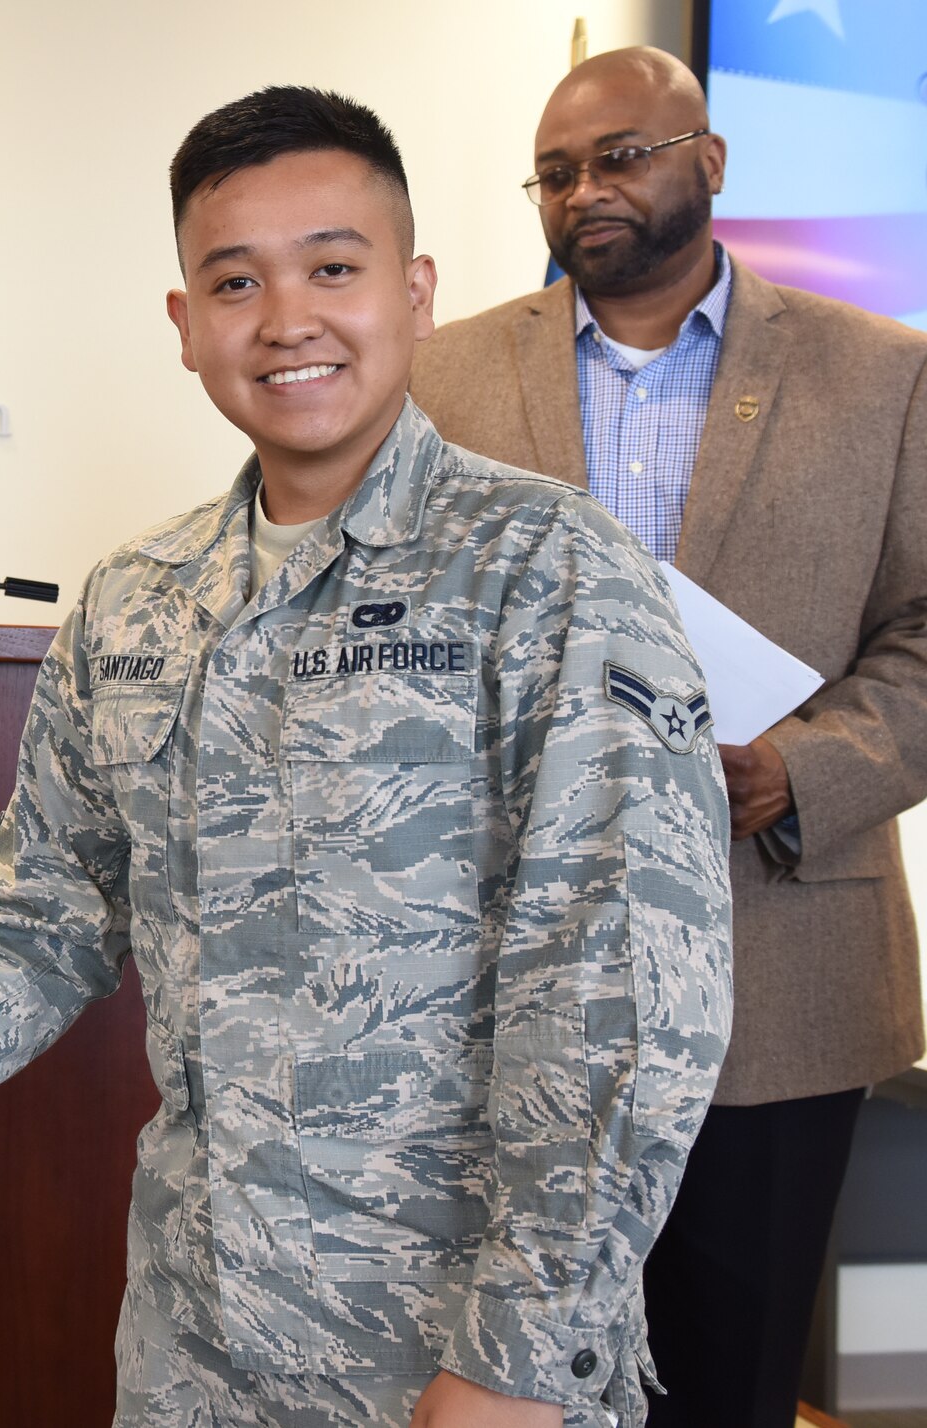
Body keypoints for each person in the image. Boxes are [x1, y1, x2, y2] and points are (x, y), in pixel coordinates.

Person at [0, 89, 733, 1428]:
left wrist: (519, 1357)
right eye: (237, 281)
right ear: (186, 325)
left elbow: (631, 993)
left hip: (459, 1362)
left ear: (414, 293)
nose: (286, 319)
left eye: (333, 268)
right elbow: (35, 930)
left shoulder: (549, 572)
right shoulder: (133, 603)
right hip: (197, 1348)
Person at [408, 47, 927, 1427]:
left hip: (781, 963)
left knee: (728, 1379)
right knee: (500, 1377)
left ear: (708, 161)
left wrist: (806, 769)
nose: (587, 191)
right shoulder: (441, 378)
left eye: (622, 155)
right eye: (559, 171)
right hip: (493, 972)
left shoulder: (886, 373)